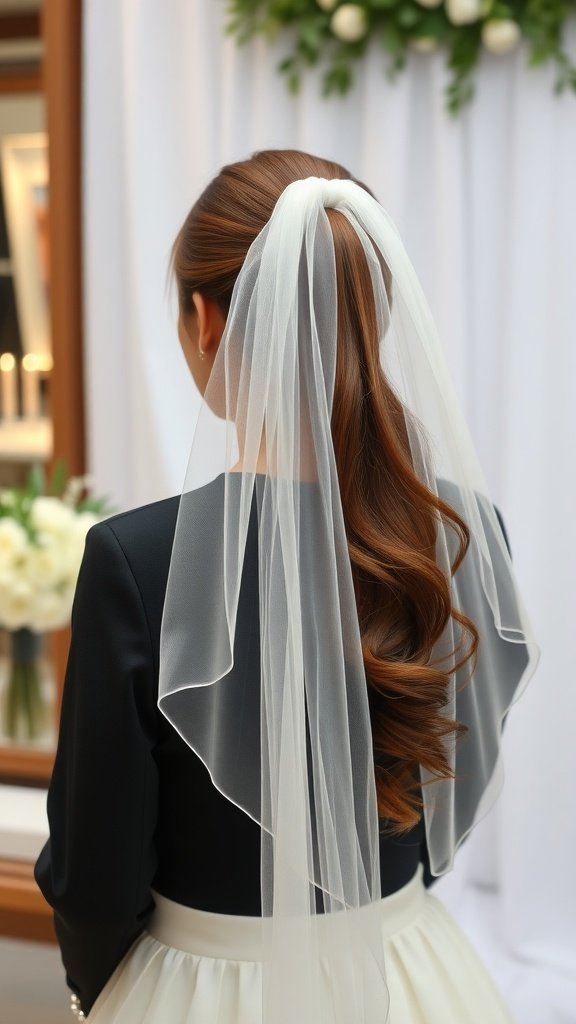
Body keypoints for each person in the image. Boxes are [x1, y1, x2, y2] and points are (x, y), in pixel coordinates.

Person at [35, 150, 537, 1023]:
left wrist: (101, 996)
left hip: (203, 990)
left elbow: (95, 871)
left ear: (203, 320)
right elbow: (464, 768)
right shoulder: (463, 534)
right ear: (369, 312)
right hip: (407, 970)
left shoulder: (132, 560)